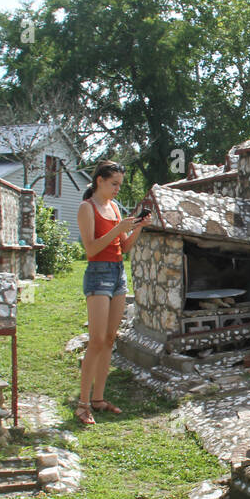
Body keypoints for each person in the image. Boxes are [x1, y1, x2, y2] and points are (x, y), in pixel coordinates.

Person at [75, 161, 150, 425]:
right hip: (98, 274)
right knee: (95, 340)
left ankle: (98, 398)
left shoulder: (115, 208)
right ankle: (82, 404)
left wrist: (138, 227)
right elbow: (91, 249)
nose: (118, 188)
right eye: (114, 183)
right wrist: (118, 229)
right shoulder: (87, 208)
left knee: (109, 339)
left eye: (120, 183)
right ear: (99, 181)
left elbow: (125, 247)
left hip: (118, 274)